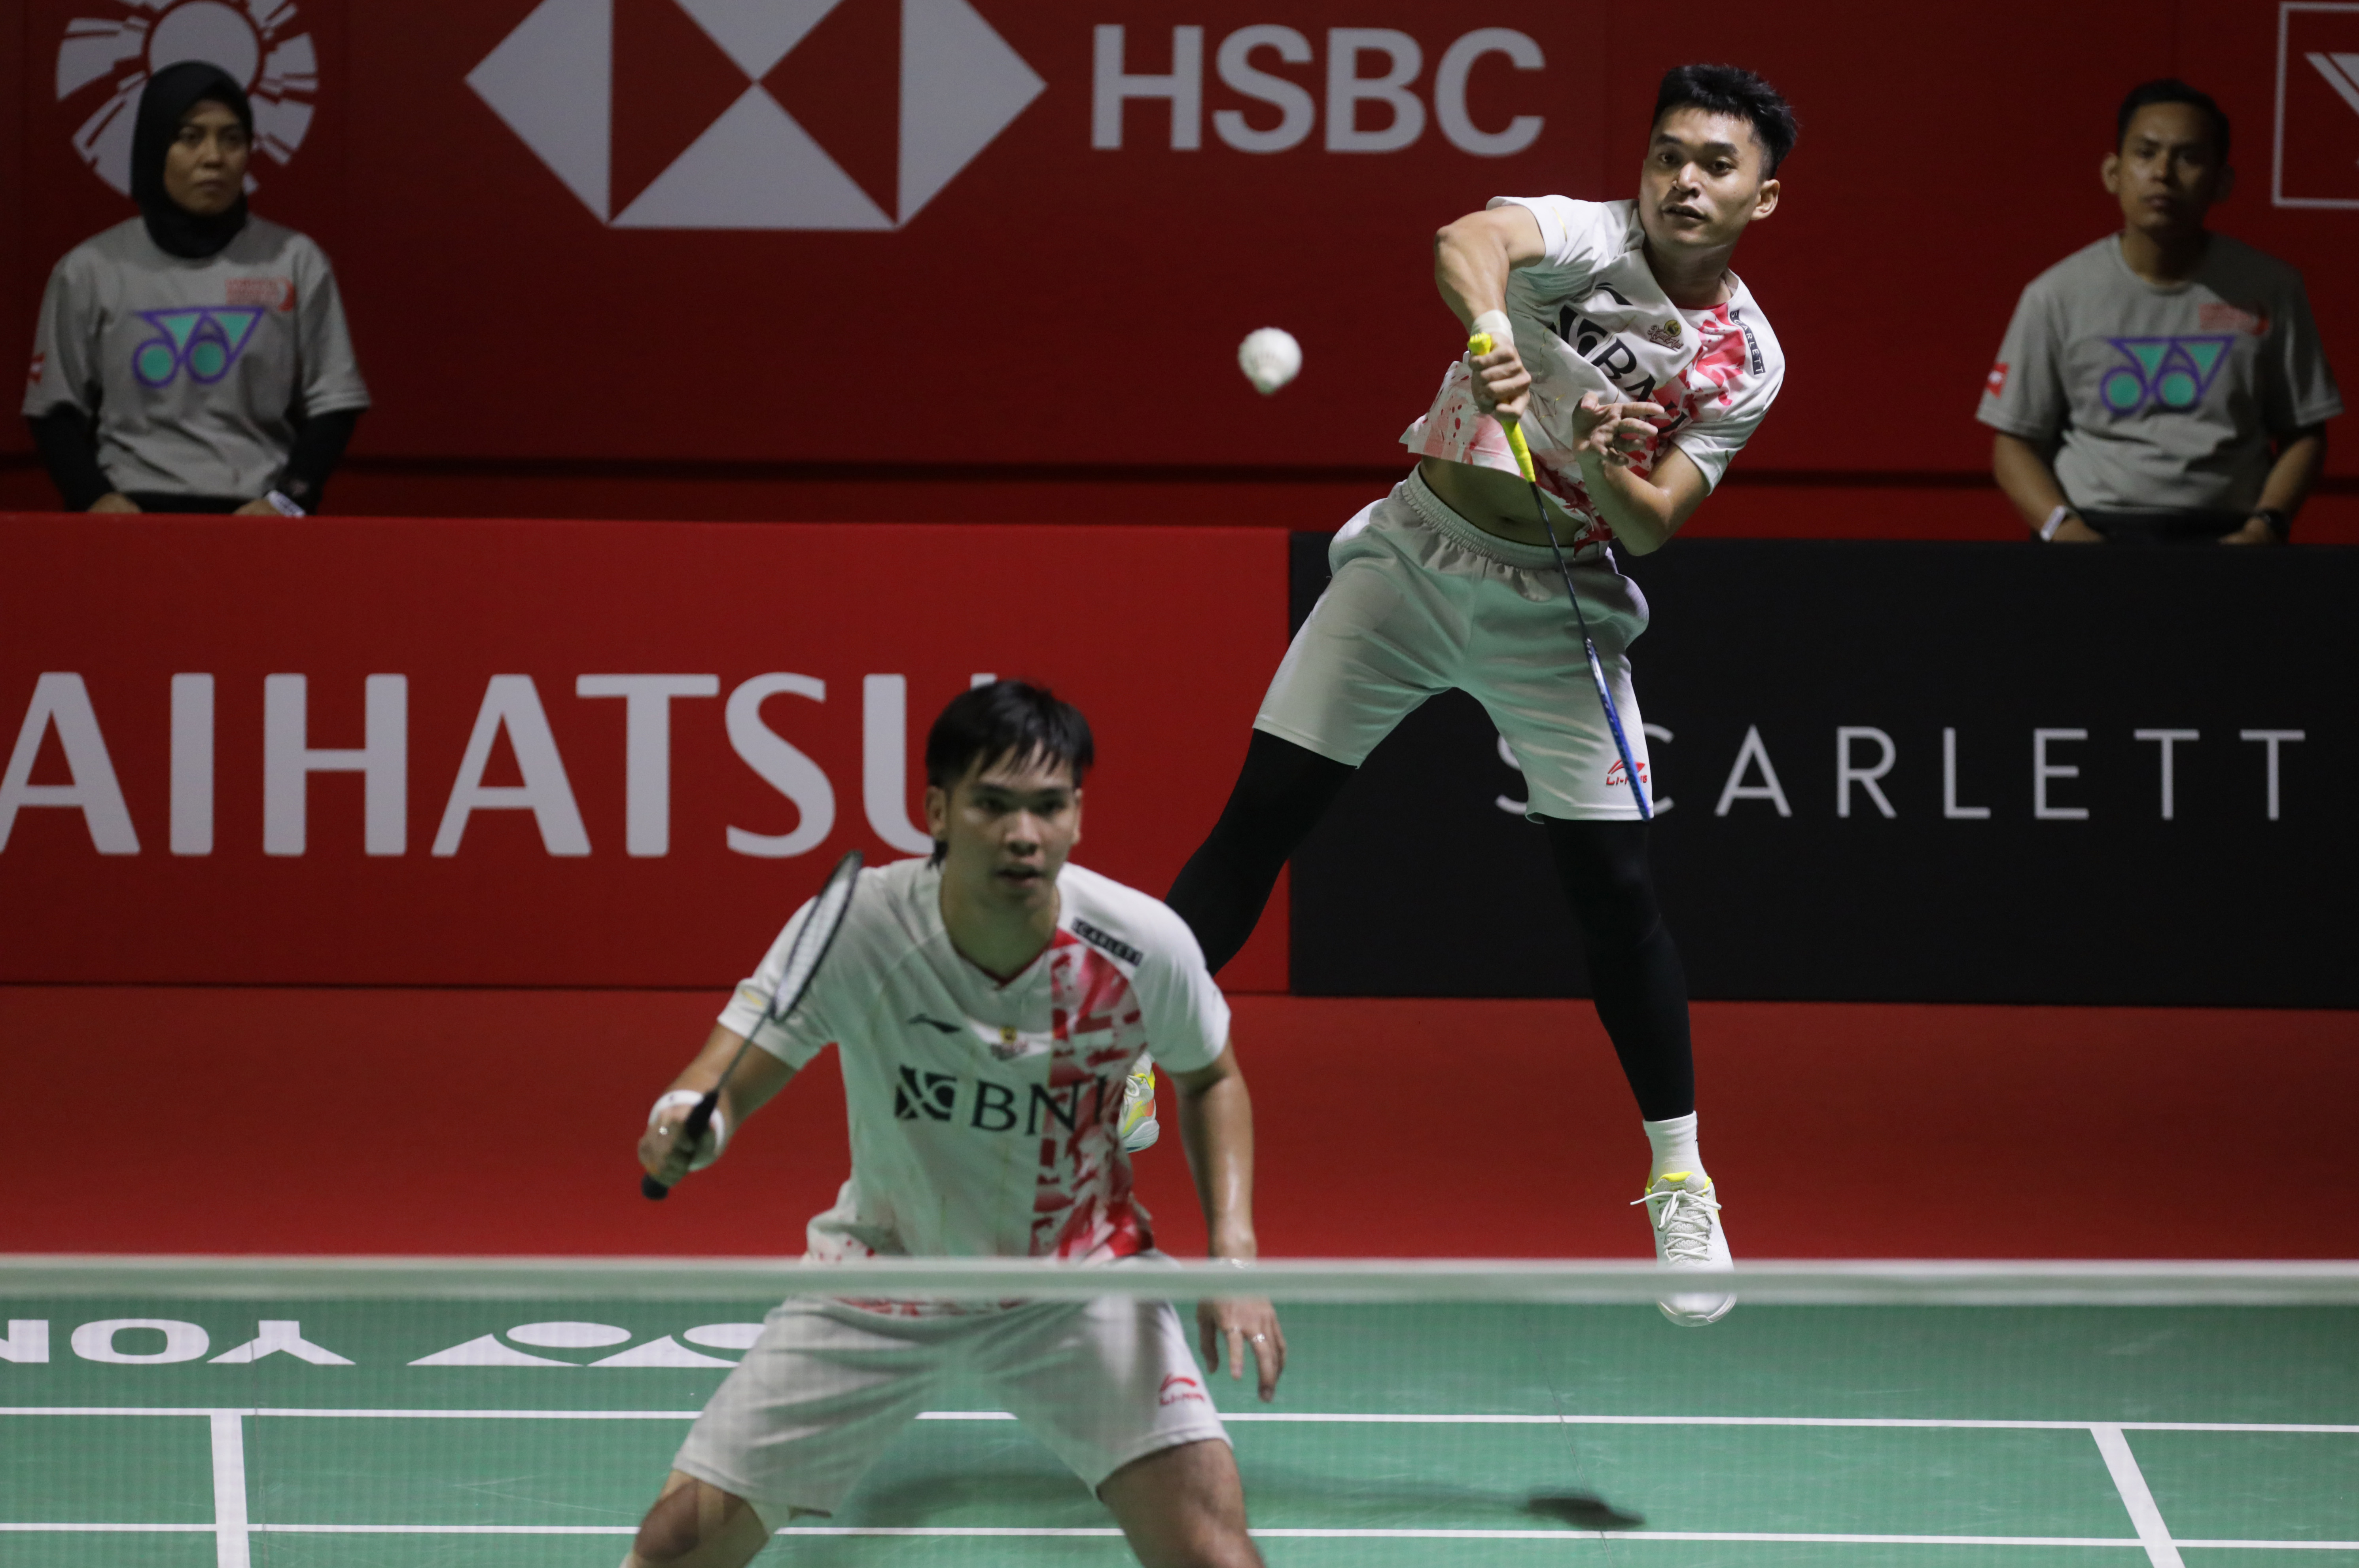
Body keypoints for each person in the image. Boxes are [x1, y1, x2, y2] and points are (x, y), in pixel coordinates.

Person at [1166, 64, 1797, 1327]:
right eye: (1667, 153)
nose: (1683, 180)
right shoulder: (1587, 235)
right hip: (1411, 557)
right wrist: (1496, 336)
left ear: (1761, 198)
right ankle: (1135, 1050)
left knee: (1612, 892)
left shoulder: (1745, 360)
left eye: (1715, 164)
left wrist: (1605, 463)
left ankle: (1680, 1176)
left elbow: (1653, 522)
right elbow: (1466, 240)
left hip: (1556, 602)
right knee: (1260, 820)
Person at [628, 681, 1280, 1568]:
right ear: (938, 810)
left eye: (1049, 805)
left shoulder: (1140, 943)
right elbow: (721, 1078)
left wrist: (1234, 1254)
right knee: (675, 1546)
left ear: (1077, 815)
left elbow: (1211, 1076)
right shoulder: (860, 928)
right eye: (993, 804)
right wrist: (687, 1122)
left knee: (1213, 1554)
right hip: (886, 1275)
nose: (1024, 833)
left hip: (1079, 1279)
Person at [1980, 79, 2341, 545]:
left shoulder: (2272, 288)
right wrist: (2063, 530)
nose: (2163, 173)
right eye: (2146, 153)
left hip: (2231, 540)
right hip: (2092, 532)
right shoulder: (2054, 295)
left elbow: (2305, 433)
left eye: (2189, 157)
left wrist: (2264, 528)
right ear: (2113, 173)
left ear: (2222, 181)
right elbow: (2014, 443)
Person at [22, 61, 369, 516]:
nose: (214, 157)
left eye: (232, 140)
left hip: (257, 518)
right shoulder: (90, 269)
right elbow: (54, 409)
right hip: (128, 516)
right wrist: (96, 501)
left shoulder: (295, 261)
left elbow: (335, 402)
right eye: (190, 138)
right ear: (154, 148)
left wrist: (286, 503)